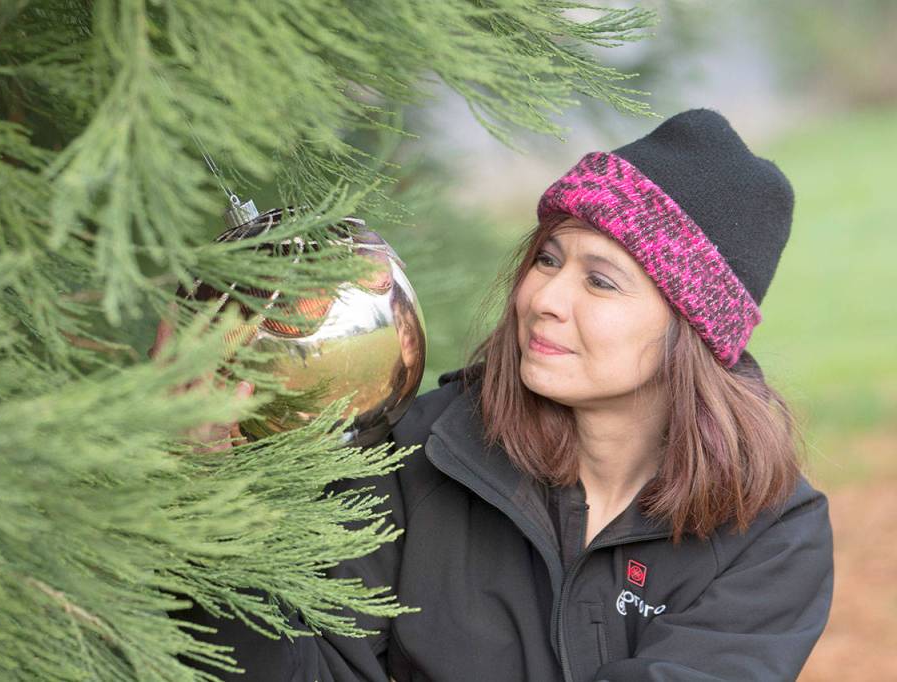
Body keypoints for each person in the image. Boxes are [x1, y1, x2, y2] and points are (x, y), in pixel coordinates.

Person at [166, 109, 834, 681]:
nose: (543, 299)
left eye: (600, 281)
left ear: (692, 330)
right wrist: (210, 513)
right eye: (548, 259)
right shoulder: (420, 455)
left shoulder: (772, 533)